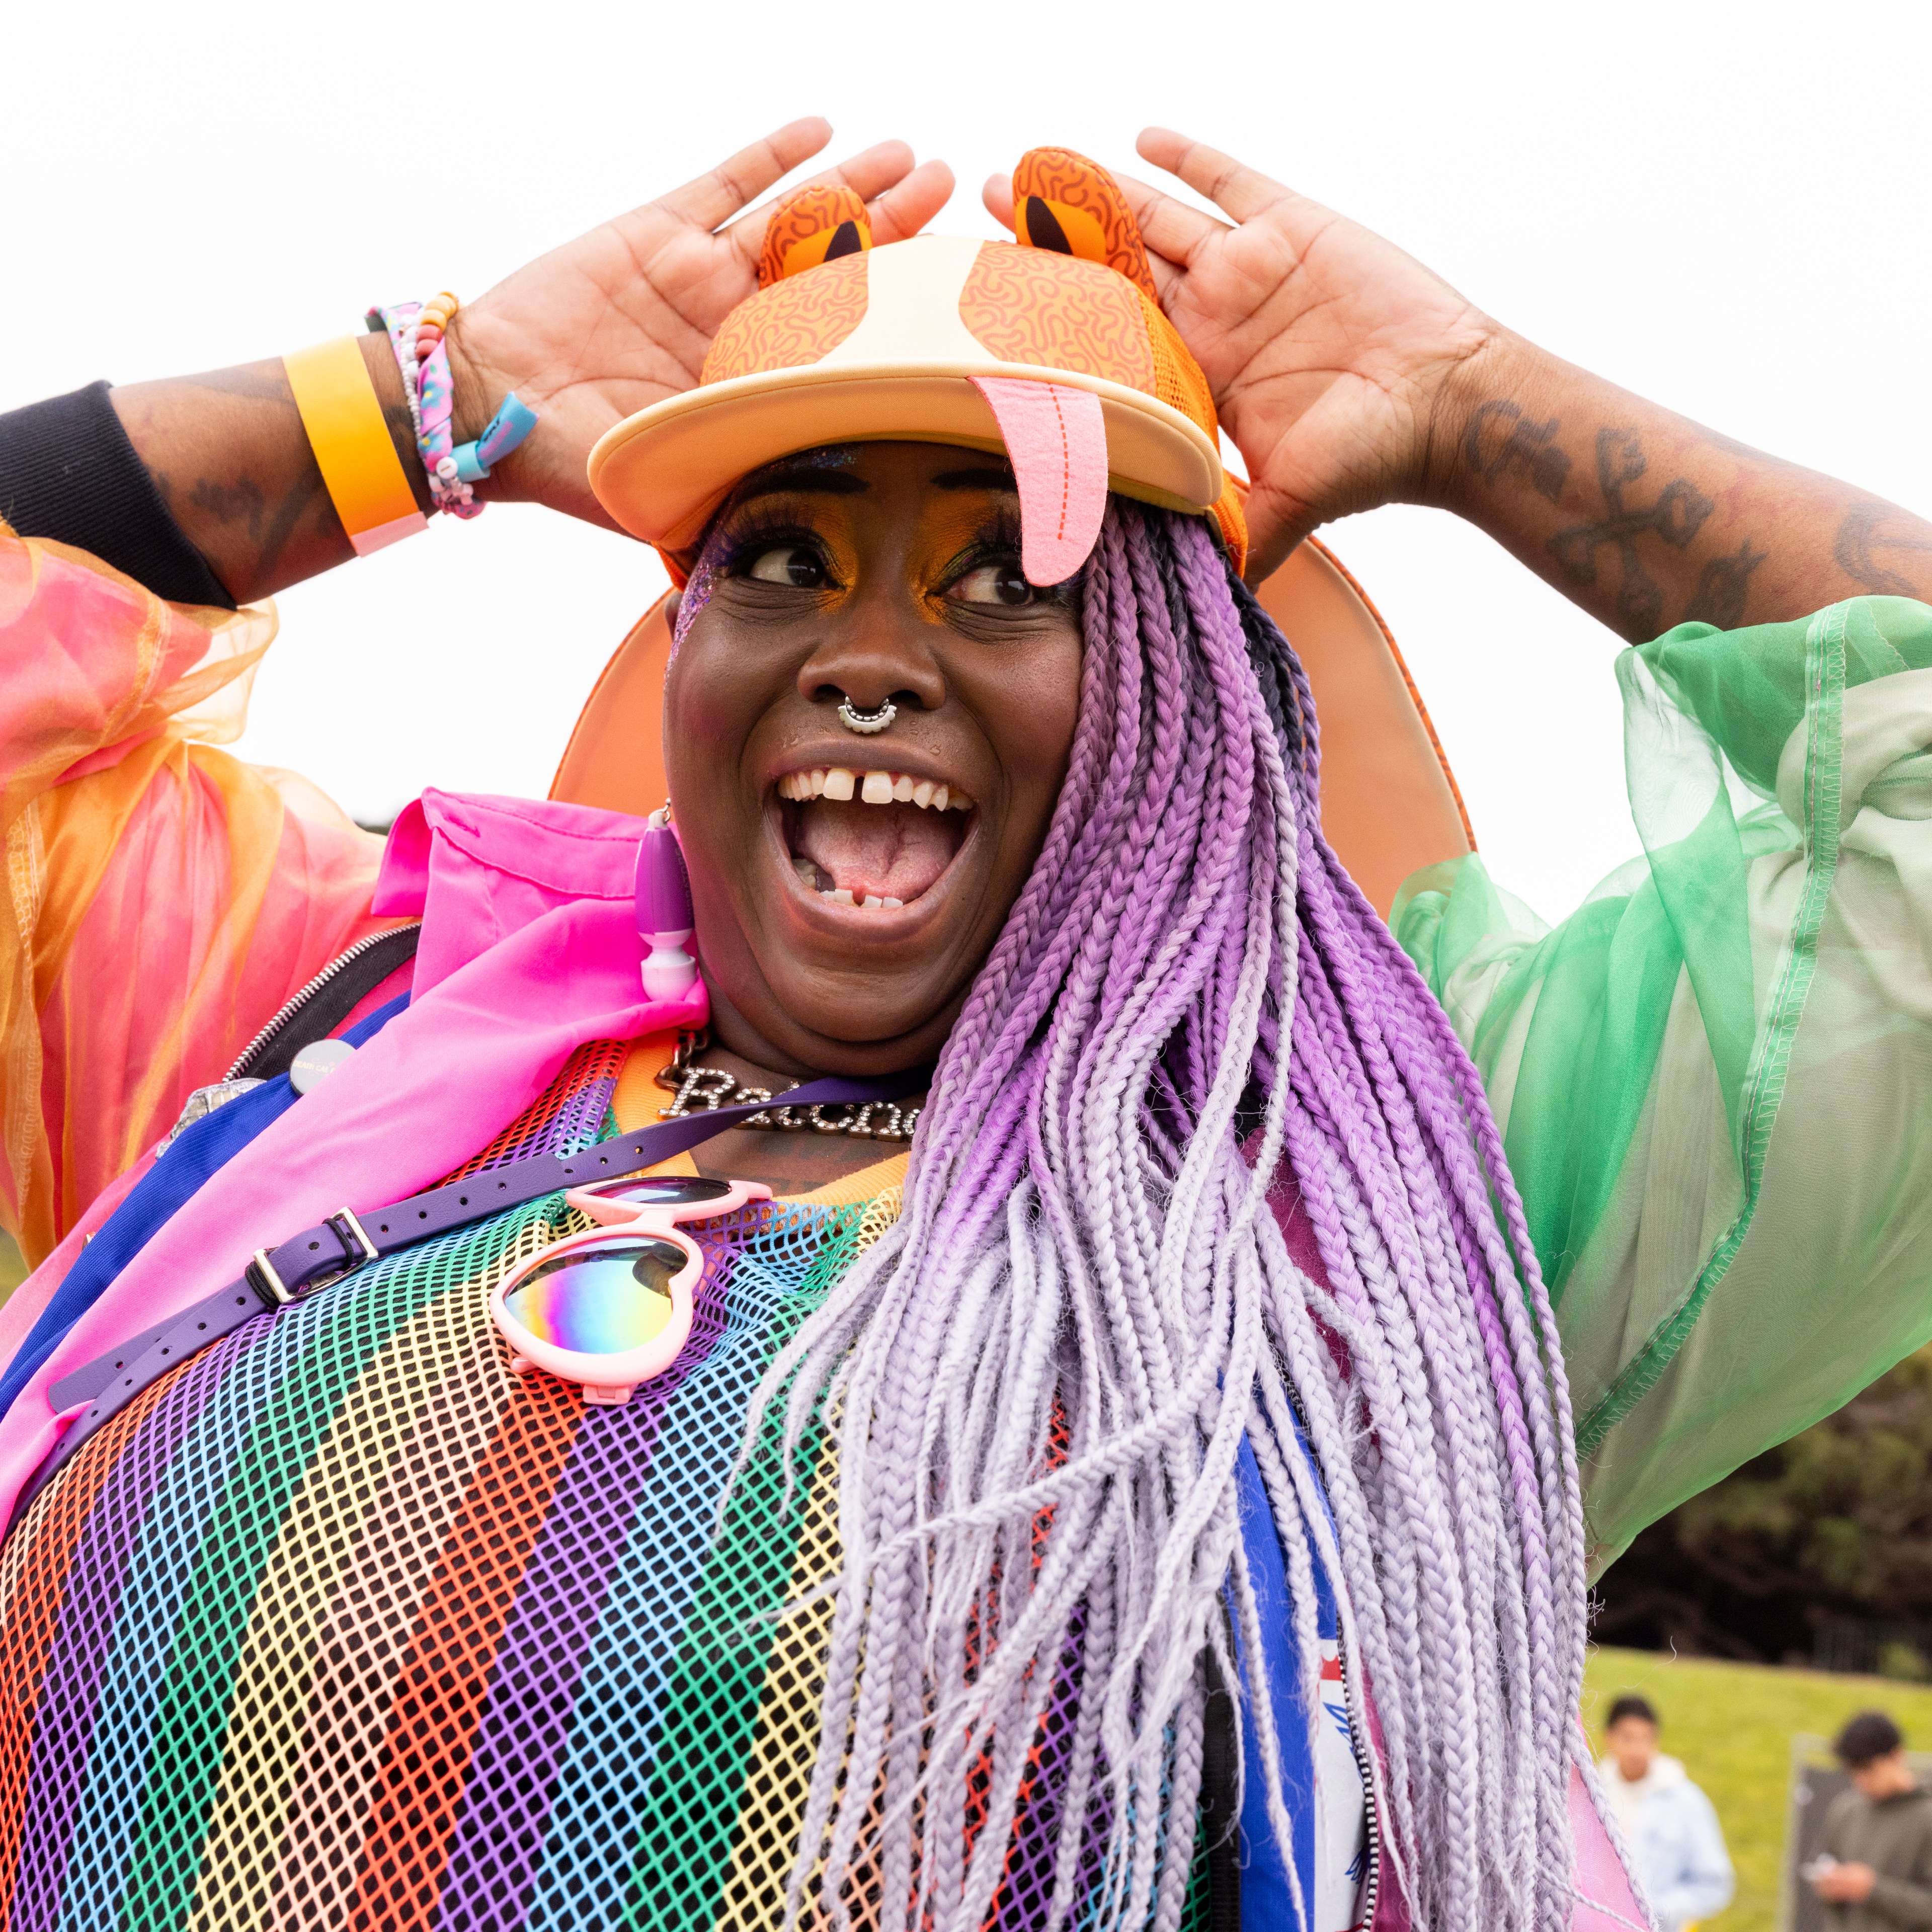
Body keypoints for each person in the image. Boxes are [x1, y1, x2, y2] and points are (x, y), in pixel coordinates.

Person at [0, 116, 1930, 1932]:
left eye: (1016, 580)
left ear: (1178, 688)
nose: (866, 653)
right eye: (782, 563)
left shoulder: (1404, 1171)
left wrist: (1464, 398)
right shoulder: (337, 1019)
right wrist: (427, 397)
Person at [1598, 1694, 1733, 1931]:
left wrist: (1657, 1911)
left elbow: (1714, 1882)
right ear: (1609, 1738)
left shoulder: (1687, 1801)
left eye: (1646, 1739)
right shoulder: (1589, 1794)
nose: (1637, 1750)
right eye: (1627, 1738)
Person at [1811, 1712, 1932, 1929]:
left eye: (1868, 1769)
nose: (1861, 1781)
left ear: (1897, 1756)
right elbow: (1821, 1870)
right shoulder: (1846, 1811)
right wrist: (1829, 1886)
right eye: (1854, 1771)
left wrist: (1873, 1889)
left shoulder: (1927, 1818)